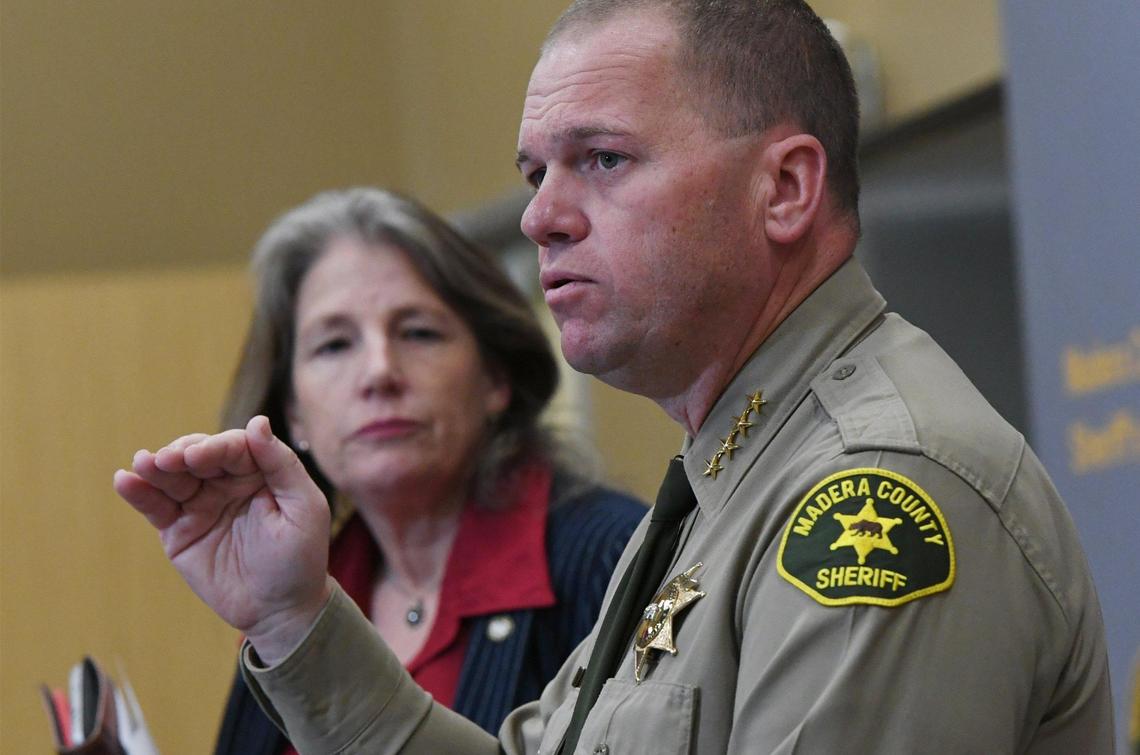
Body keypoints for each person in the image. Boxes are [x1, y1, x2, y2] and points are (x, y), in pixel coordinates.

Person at [115, 2, 1115, 753]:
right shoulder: (721, 485)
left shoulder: (878, 488)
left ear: (785, 187)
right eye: (534, 173)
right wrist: (297, 618)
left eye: (600, 160)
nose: (540, 217)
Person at [148, 187, 646, 754]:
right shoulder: (298, 582)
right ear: (293, 412)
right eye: (335, 345)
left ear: (495, 379)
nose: (379, 372)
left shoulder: (615, 558)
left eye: (418, 333)